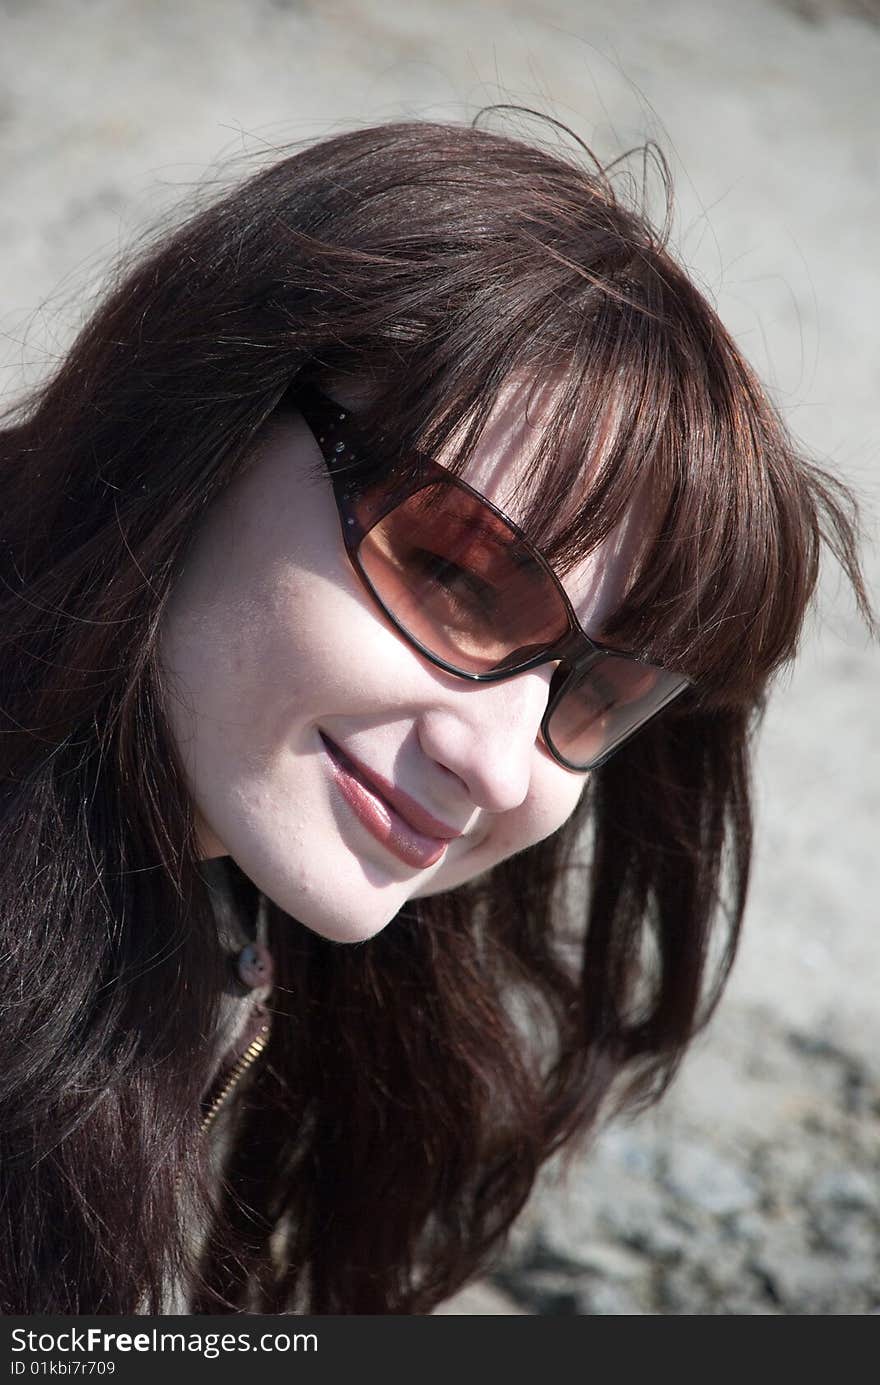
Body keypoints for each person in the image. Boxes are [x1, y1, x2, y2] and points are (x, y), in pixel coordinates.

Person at [0, 114, 870, 1316]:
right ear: (203, 416)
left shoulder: (252, 910)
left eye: (598, 691)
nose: (504, 764)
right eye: (458, 573)